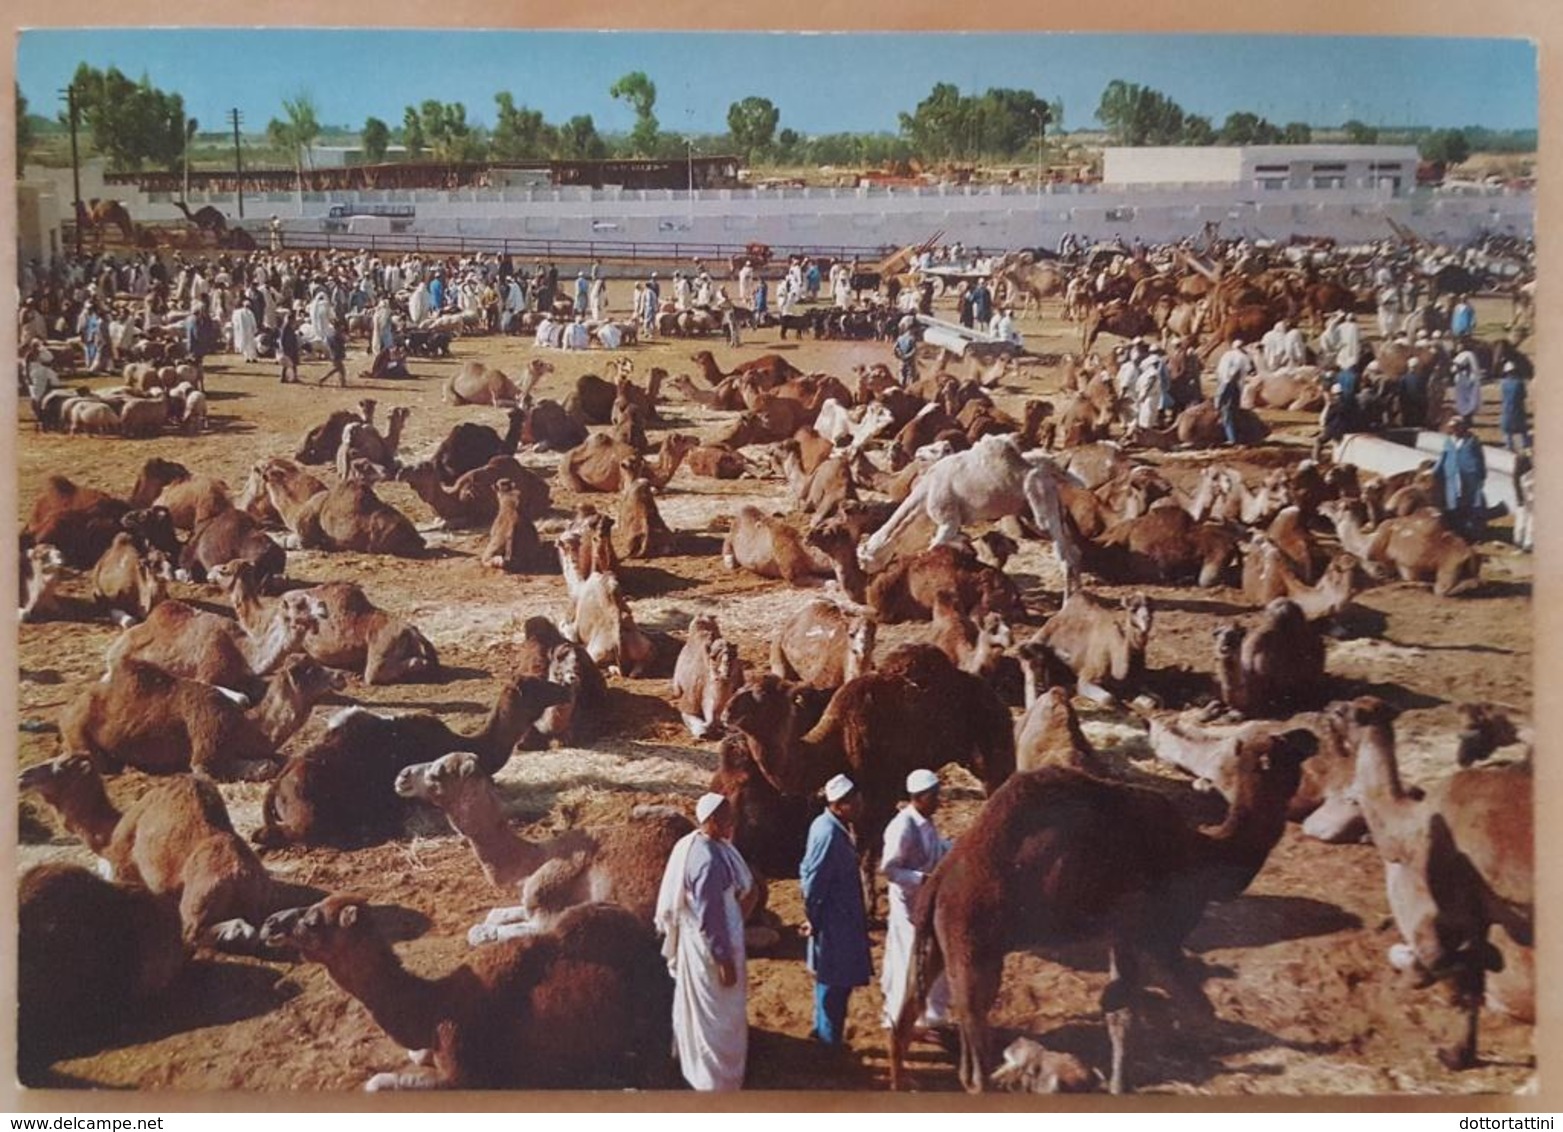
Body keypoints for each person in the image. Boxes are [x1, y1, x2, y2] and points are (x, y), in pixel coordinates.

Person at [655, 792, 757, 1092]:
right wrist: (723, 960)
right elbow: (710, 918)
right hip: (711, 951)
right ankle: (715, 1080)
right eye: (726, 818)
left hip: (715, 939)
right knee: (718, 1016)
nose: (732, 823)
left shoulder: (707, 845)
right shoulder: (707, 861)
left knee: (709, 1014)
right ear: (711, 820)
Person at [800, 774, 873, 1048]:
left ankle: (823, 1032)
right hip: (834, 922)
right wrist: (813, 919)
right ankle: (829, 1044)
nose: (860, 805)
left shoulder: (832, 826)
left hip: (840, 918)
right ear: (841, 804)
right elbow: (812, 879)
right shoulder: (828, 833)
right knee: (835, 982)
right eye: (855, 800)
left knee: (830, 977)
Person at [879, 770, 951, 1036]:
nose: (938, 801)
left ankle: (929, 1017)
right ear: (919, 798)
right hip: (909, 906)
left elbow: (936, 848)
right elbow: (889, 870)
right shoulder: (902, 827)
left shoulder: (926, 822)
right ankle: (897, 1019)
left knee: (931, 960)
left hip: (926, 903)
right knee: (906, 962)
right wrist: (924, 880)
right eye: (934, 797)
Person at [1433, 415, 1486, 539]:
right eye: (1452, 428)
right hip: (1452, 477)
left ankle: (1473, 532)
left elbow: (1480, 459)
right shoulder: (1449, 442)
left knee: (1471, 503)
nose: (1454, 431)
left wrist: (1481, 475)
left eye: (1457, 428)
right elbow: (1443, 458)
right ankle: (1458, 530)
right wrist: (1434, 473)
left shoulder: (1472, 441)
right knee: (1453, 504)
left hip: (1469, 477)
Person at [1214, 338, 1252, 445]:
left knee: (1227, 415)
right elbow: (1246, 371)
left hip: (1227, 386)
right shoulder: (1244, 357)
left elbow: (1224, 375)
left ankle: (1232, 439)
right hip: (1238, 388)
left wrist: (1217, 403)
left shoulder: (1228, 356)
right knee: (1236, 413)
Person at [1500, 360, 1530, 453]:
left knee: (1507, 429)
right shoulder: (1519, 383)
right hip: (1518, 408)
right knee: (1522, 429)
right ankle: (1526, 446)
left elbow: (1503, 396)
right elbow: (1524, 395)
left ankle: (1509, 446)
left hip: (1507, 408)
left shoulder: (1503, 383)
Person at [317, 317, 348, 387]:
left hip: (334, 354)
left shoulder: (333, 334)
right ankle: (323, 378)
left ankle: (342, 382)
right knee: (338, 369)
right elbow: (339, 345)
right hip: (336, 354)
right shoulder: (336, 335)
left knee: (340, 369)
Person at [231, 299, 260, 364]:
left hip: (242, 331)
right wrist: (254, 329)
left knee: (245, 344)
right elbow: (253, 322)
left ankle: (247, 357)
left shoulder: (237, 312)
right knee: (250, 344)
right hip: (249, 331)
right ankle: (252, 357)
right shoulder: (250, 312)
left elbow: (234, 322)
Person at [893, 319, 919, 387]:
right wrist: (907, 356)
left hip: (901, 361)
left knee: (902, 379)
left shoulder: (900, 337)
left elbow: (894, 348)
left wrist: (898, 356)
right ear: (913, 329)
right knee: (912, 379)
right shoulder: (912, 338)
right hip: (910, 362)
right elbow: (914, 350)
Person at [278, 310, 301, 384]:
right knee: (288, 363)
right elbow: (282, 338)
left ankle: (292, 377)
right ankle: (285, 377)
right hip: (287, 348)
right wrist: (282, 348)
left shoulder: (291, 326)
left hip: (292, 347)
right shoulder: (285, 327)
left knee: (293, 363)